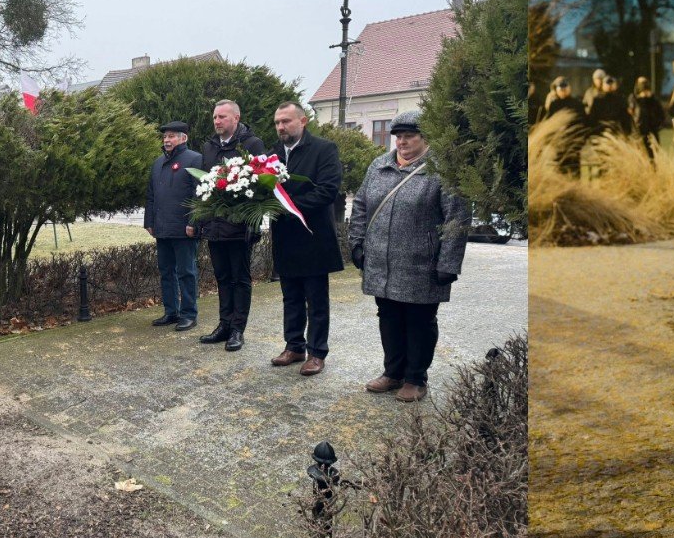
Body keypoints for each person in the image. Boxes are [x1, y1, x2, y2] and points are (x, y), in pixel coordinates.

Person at [349, 111, 470, 402]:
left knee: (419, 320)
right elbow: (361, 206)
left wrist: (449, 262)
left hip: (422, 264)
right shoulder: (379, 166)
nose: (402, 142)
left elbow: (458, 217)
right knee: (388, 316)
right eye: (398, 137)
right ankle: (392, 373)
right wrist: (356, 242)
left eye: (409, 136)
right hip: (381, 261)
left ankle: (416, 377)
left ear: (424, 137)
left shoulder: (442, 170)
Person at [266, 102, 345, 376]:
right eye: (277, 122)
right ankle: (294, 346)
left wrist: (290, 208)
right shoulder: (272, 155)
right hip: (285, 238)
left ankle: (317, 353)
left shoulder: (324, 149)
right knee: (291, 297)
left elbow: (327, 190)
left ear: (303, 121)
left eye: (286, 121)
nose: (280, 127)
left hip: (314, 237)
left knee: (316, 300)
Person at [197, 99, 267, 352]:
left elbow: (260, 187)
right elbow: (204, 187)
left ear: (236, 118)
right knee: (222, 277)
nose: (217, 121)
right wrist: (201, 221)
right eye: (215, 117)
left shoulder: (251, 144)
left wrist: (253, 224)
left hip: (239, 226)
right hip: (215, 225)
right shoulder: (208, 146)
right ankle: (224, 324)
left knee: (240, 278)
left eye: (222, 117)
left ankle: (238, 329)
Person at [144, 121, 203, 332]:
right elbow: (151, 195)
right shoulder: (158, 163)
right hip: (162, 227)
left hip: (183, 228)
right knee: (166, 271)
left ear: (183, 138)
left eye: (172, 136)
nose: (167, 140)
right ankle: (171, 312)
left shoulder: (195, 159)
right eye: (165, 137)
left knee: (186, 272)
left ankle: (189, 314)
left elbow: (200, 194)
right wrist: (149, 221)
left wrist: (194, 223)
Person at [631, 76, 666, 156]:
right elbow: (634, 117)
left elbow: (661, 116)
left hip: (652, 133)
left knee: (653, 157)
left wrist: (656, 126)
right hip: (639, 134)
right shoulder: (634, 100)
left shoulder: (654, 101)